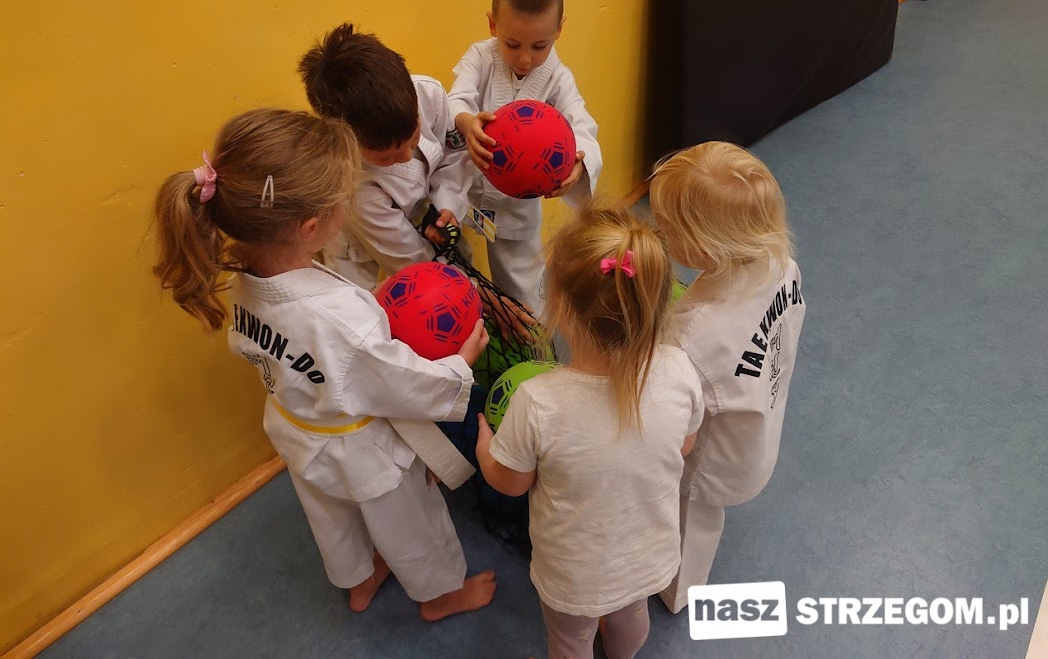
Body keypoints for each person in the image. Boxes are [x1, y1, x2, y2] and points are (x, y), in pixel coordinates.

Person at [151, 108, 496, 620]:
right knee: (412, 524)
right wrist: (458, 366)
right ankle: (440, 595)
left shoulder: (247, 278)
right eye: (344, 200)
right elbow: (398, 381)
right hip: (363, 448)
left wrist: (364, 312)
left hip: (298, 427)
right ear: (313, 227)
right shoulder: (339, 320)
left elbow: (320, 339)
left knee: (332, 520)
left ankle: (358, 581)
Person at [475, 206, 703, 659]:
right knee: (630, 616)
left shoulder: (537, 401)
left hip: (573, 576)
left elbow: (511, 482)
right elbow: (684, 445)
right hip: (649, 556)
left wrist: (486, 446)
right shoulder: (680, 369)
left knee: (570, 640)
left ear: (559, 306)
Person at [649, 141, 806, 614]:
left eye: (666, 228)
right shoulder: (783, 264)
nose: (659, 232)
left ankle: (678, 591)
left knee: (691, 519)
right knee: (702, 514)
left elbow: (672, 415)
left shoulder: (692, 337)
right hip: (760, 410)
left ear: (702, 250)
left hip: (711, 457)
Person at [448, 0, 603, 316]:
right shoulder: (480, 57)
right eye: (512, 43)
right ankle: (473, 320)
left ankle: (531, 337)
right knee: (456, 262)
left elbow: (581, 124)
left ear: (559, 30)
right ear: (493, 25)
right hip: (464, 188)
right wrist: (467, 122)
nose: (525, 58)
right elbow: (457, 97)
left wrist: (579, 164)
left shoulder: (558, 79)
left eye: (540, 45)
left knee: (522, 288)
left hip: (517, 202)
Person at [298, 23, 472, 290]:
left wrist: (447, 203)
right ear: (348, 141)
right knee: (363, 298)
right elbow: (410, 259)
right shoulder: (356, 186)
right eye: (386, 158)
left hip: (422, 210)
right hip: (357, 245)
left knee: (458, 260)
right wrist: (466, 289)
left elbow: (453, 155)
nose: (406, 156)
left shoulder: (429, 96)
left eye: (414, 138)